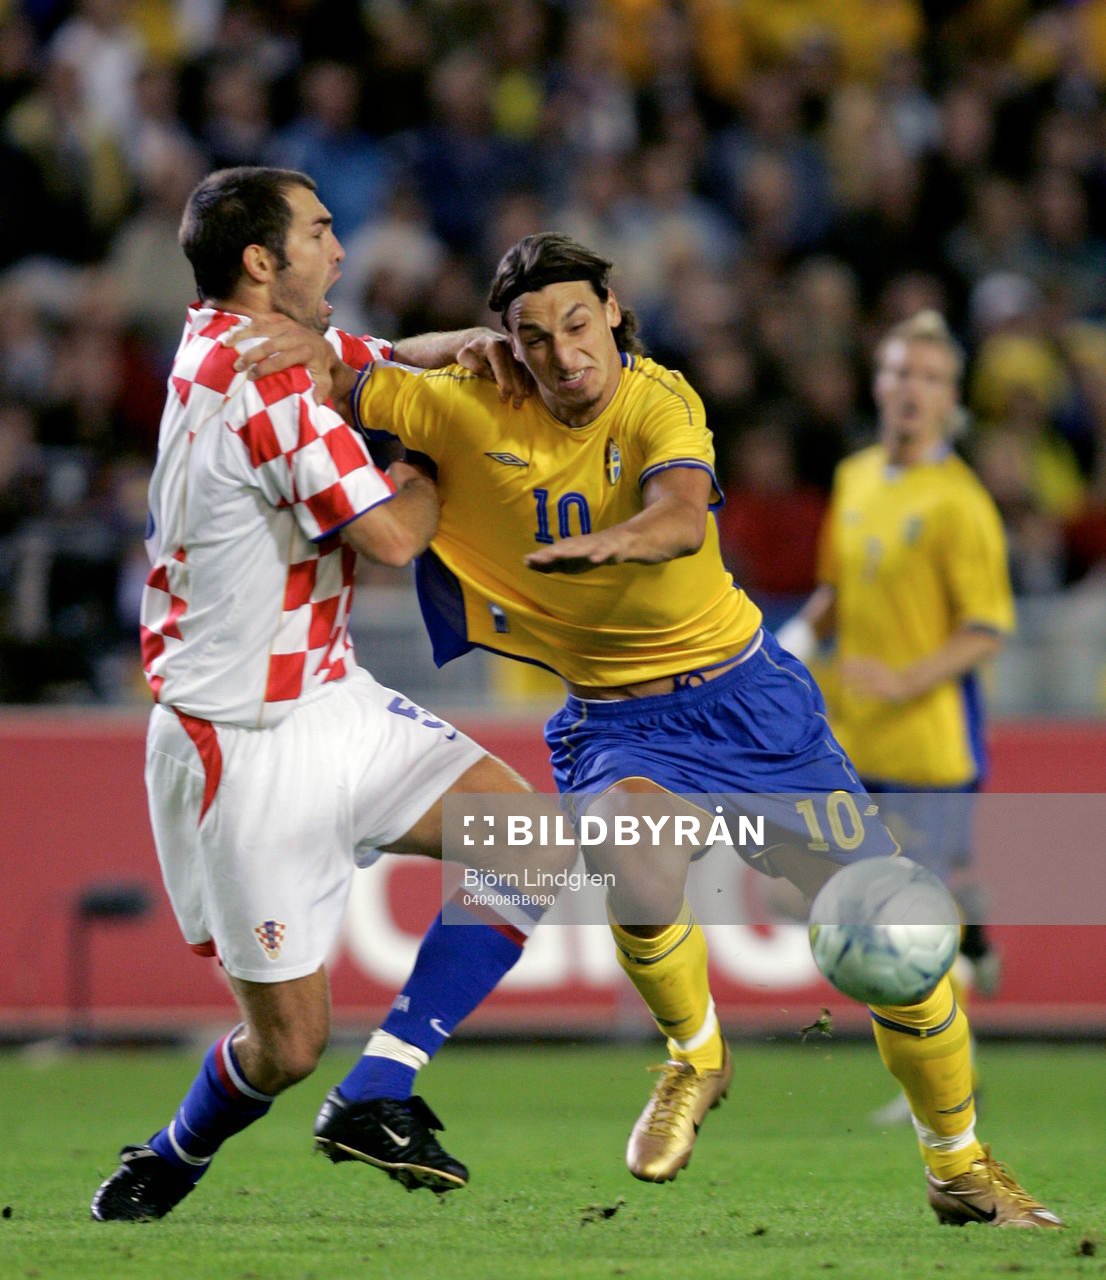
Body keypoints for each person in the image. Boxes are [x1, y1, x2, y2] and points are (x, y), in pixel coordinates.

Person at [237, 232, 1061, 1228]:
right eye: (533, 336)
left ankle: (957, 1164)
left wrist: (614, 543)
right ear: (506, 345)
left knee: (896, 943)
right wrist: (376, 344)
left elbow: (679, 515)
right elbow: (344, 374)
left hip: (753, 707)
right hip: (618, 721)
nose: (564, 353)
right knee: (632, 845)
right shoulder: (459, 404)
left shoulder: (659, 398)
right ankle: (693, 1055)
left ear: (614, 313)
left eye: (578, 323)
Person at [90, 168, 565, 1224]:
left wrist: (464, 345)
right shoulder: (263, 383)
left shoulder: (248, 338)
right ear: (263, 261)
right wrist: (437, 454)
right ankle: (172, 1153)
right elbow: (392, 536)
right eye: (318, 231)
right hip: (244, 742)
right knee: (286, 1046)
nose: (340, 248)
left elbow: (379, 356)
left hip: (328, 697)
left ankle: (379, 1089)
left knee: (527, 837)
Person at [776, 309, 1014, 1123]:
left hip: (926, 747)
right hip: (851, 739)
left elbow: (986, 628)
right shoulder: (854, 478)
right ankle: (973, 931)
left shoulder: (960, 503)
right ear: (877, 384)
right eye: (899, 371)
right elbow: (837, 590)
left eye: (929, 377)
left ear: (952, 399)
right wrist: (793, 645)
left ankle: (949, 1084)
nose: (912, 389)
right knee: (811, 896)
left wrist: (905, 678)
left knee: (905, 915)